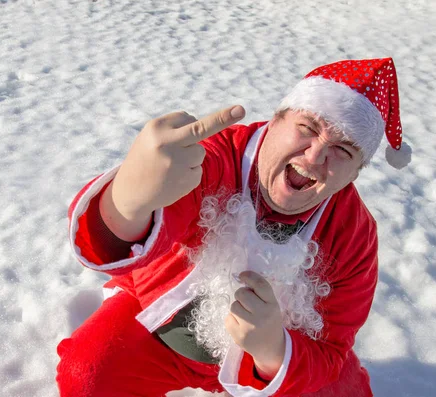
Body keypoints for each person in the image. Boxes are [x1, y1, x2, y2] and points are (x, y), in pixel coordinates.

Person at [56, 58, 408, 397]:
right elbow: (130, 227)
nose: (315, 156)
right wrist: (126, 202)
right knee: (88, 376)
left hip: (279, 367)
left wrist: (274, 351)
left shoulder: (354, 234)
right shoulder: (213, 159)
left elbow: (331, 347)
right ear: (275, 122)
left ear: (355, 174)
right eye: (307, 128)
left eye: (343, 151)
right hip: (154, 324)